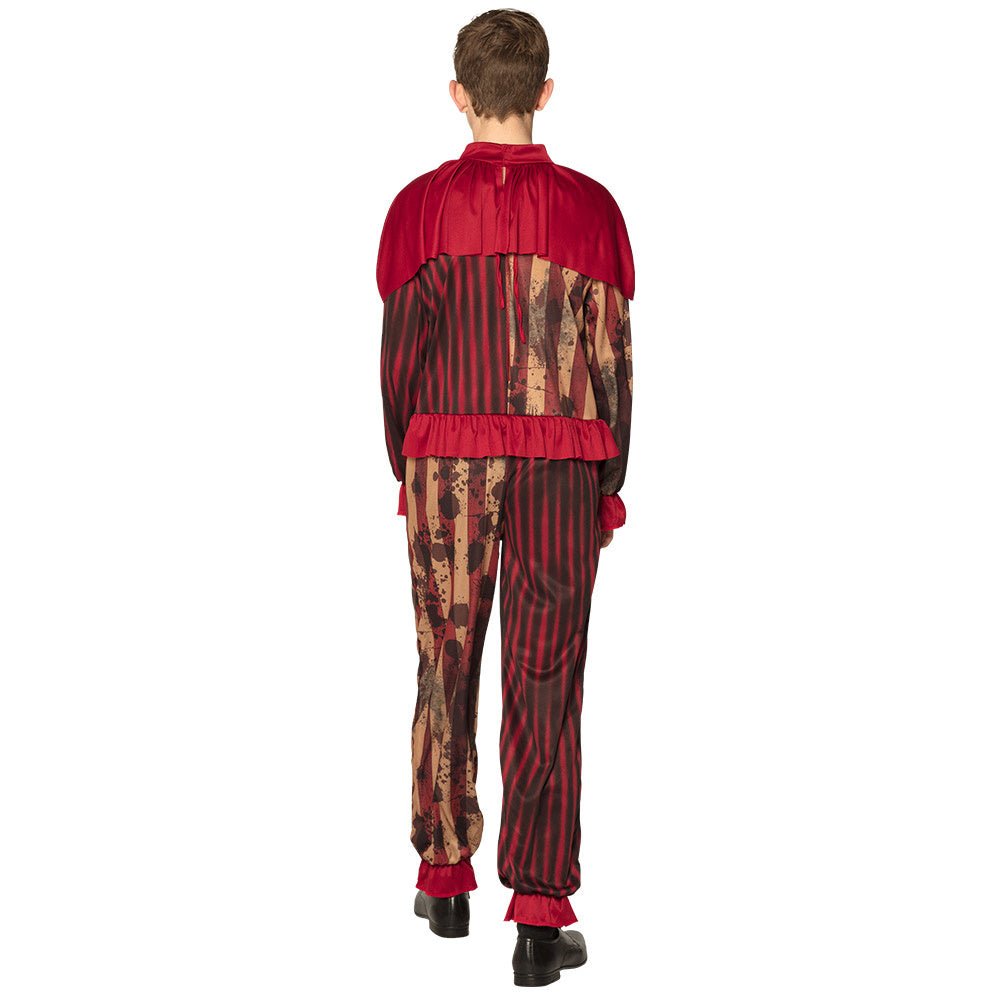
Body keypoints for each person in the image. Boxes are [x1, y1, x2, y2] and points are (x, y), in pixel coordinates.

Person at [376, 9, 634, 988]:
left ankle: (444, 877)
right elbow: (612, 359)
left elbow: (400, 359)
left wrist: (405, 466)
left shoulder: (417, 210)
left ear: (458, 94)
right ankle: (538, 915)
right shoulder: (594, 210)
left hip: (446, 460)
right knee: (546, 678)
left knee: (443, 659)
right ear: (545, 93)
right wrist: (609, 482)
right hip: (561, 464)